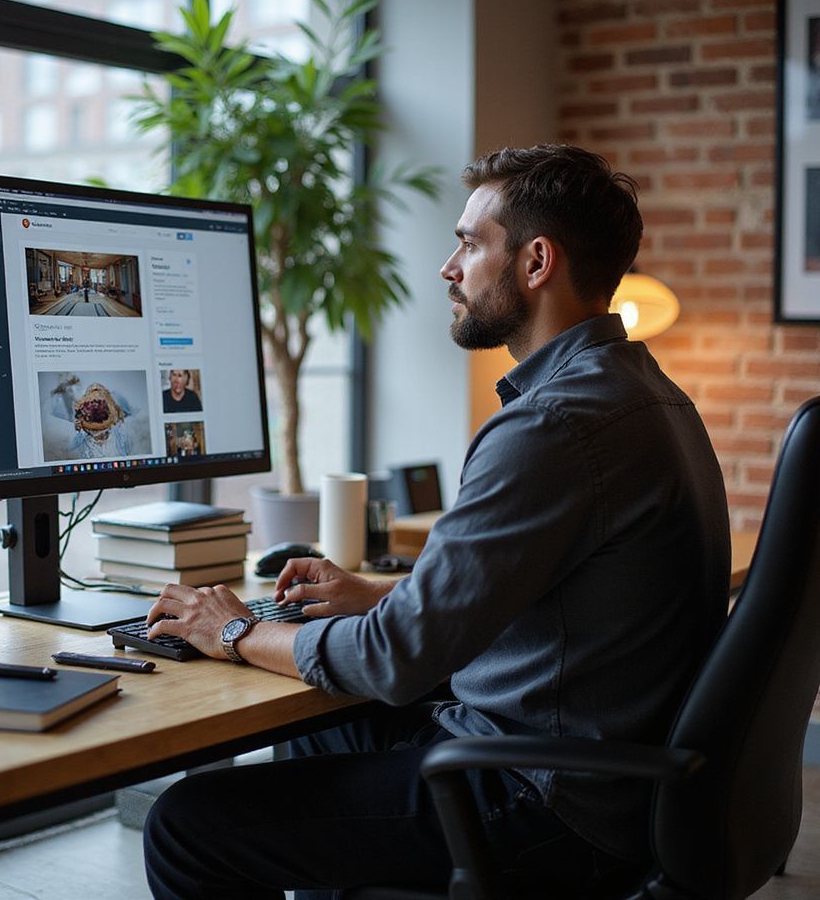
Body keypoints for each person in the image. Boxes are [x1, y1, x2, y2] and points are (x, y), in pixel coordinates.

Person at [142, 144, 731, 900]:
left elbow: (396, 661)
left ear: (536, 261)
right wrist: (386, 598)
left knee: (189, 825)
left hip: (543, 801)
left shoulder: (553, 424)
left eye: (469, 242)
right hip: (600, 775)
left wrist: (235, 630)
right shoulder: (647, 395)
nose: (449, 268)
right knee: (311, 727)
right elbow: (555, 599)